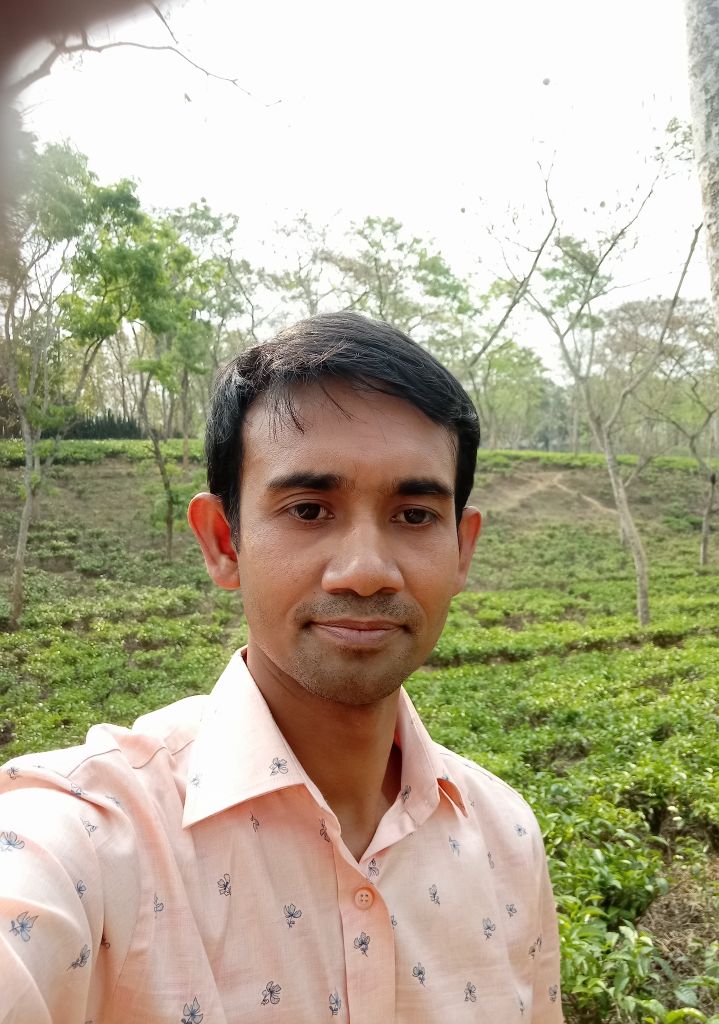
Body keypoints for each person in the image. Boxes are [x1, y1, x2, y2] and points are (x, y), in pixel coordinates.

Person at [0, 312, 563, 1023]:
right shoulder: (93, 843)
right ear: (223, 542)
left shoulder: (508, 838)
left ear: (462, 549)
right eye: (309, 509)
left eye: (415, 515)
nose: (366, 571)